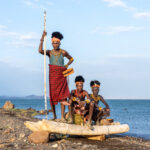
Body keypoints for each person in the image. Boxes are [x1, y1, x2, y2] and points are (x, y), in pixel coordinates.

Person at [39, 31, 74, 122]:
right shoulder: (49, 52)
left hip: (61, 76)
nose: (55, 44)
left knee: (63, 96)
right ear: (51, 43)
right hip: (53, 76)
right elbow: (40, 51)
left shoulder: (63, 52)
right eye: (54, 43)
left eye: (57, 43)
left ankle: (62, 117)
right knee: (53, 95)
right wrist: (42, 38)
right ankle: (54, 116)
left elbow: (72, 59)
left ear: (59, 43)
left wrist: (66, 66)